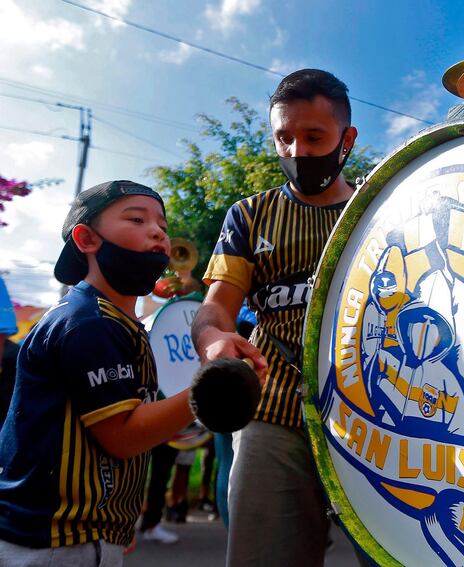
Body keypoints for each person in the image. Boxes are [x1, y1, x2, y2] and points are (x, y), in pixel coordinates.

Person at [191, 69, 358, 567]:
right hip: (274, 415)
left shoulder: (383, 205)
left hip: (378, 419)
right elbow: (216, 306)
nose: (297, 152)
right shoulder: (250, 215)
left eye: (314, 137)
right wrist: (214, 342)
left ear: (346, 139)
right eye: (284, 138)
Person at [0, 180, 197, 566]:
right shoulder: (87, 323)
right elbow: (123, 435)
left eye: (162, 223)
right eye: (137, 219)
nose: (158, 230)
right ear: (87, 239)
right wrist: (208, 392)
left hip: (81, 535)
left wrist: (115, 524)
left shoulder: (116, 322)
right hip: (55, 541)